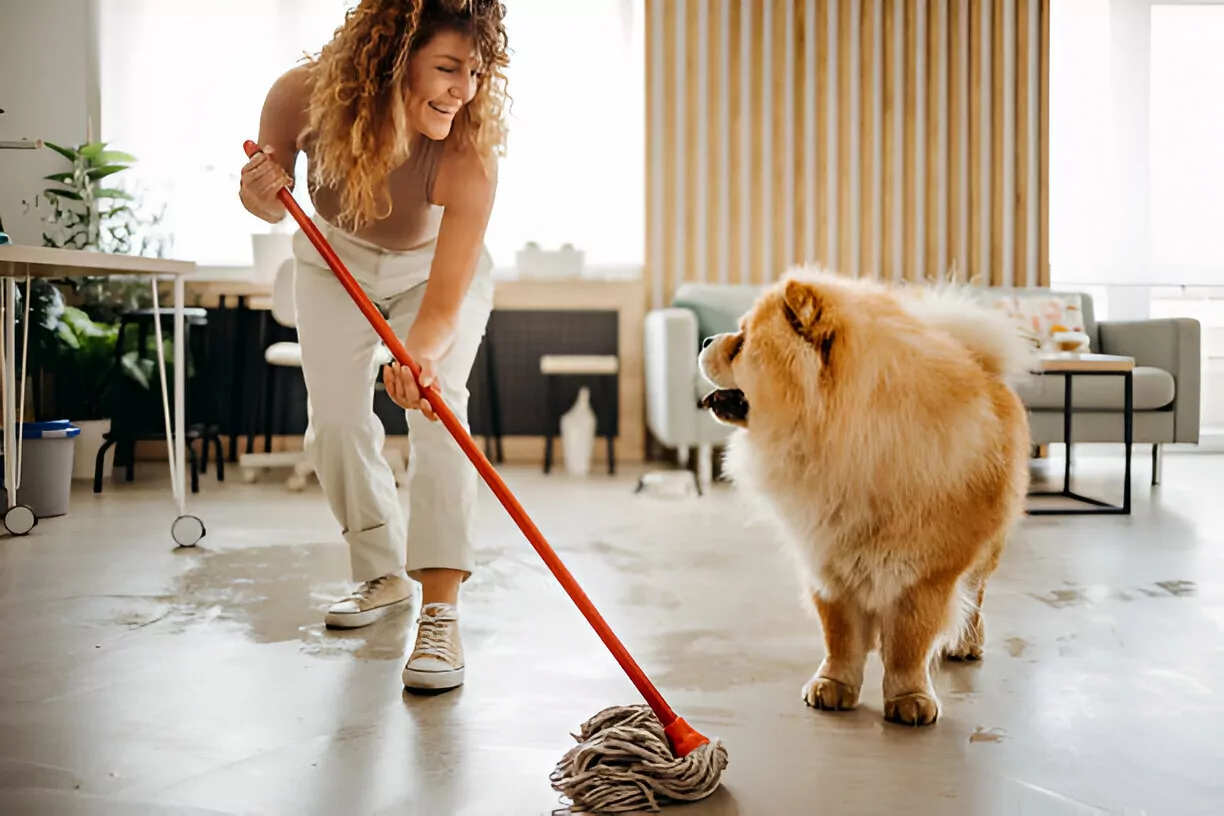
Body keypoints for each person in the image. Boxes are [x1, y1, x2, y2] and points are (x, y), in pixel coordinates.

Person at [237, 0, 509, 693]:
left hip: (431, 274)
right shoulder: (300, 96)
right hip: (333, 262)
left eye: (475, 72)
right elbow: (270, 200)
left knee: (440, 408)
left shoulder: (467, 152)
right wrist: (261, 190)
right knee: (333, 421)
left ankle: (441, 611)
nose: (464, 90)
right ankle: (381, 572)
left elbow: (445, 302)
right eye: (447, 68)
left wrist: (417, 358)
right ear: (392, 56)